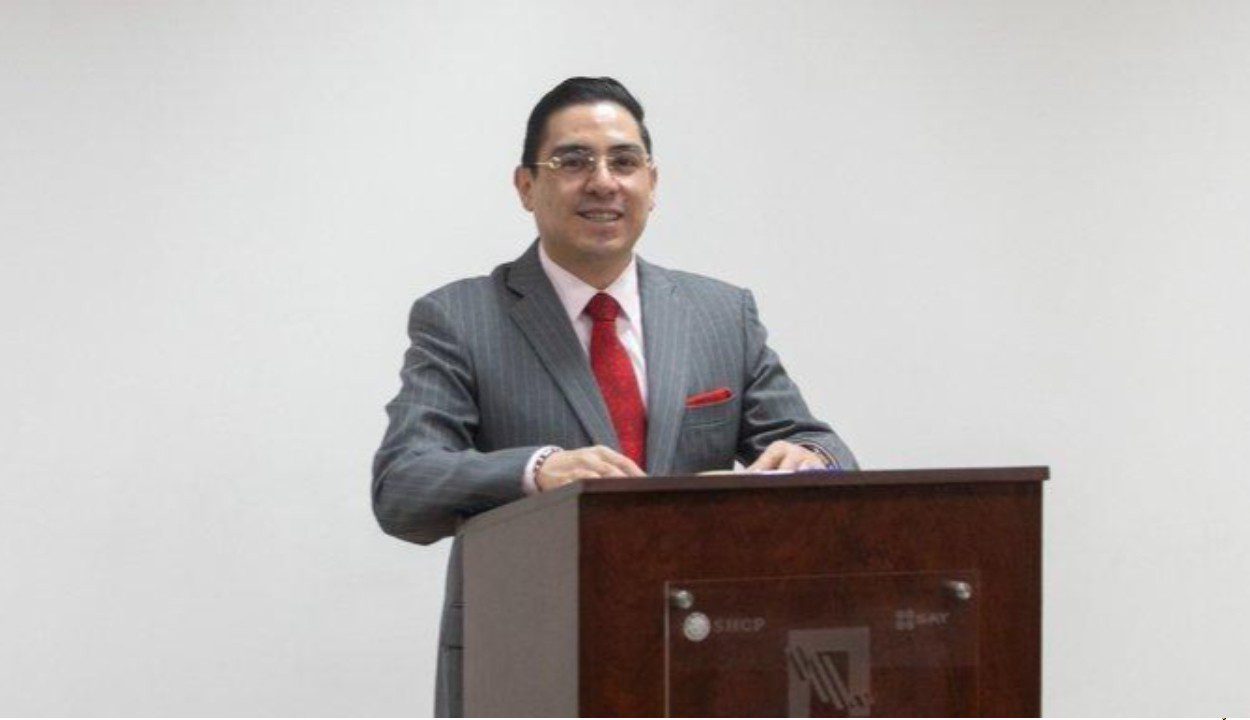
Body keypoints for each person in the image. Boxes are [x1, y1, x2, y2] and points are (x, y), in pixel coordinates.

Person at [371, 76, 857, 717]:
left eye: (624, 162)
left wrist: (808, 460)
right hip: (529, 665)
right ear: (526, 186)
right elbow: (402, 487)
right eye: (573, 162)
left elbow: (821, 444)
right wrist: (537, 471)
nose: (603, 182)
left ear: (652, 184)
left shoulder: (721, 315)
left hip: (704, 664)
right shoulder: (461, 319)